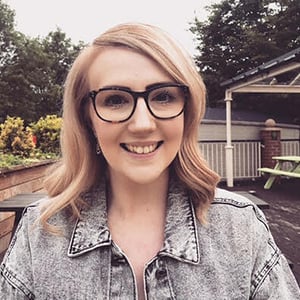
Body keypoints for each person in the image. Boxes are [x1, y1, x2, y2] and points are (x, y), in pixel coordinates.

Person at [0, 23, 299, 300]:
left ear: (187, 111)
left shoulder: (240, 228)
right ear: (86, 117)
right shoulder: (39, 233)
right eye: (115, 99)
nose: (142, 124)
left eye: (164, 96)